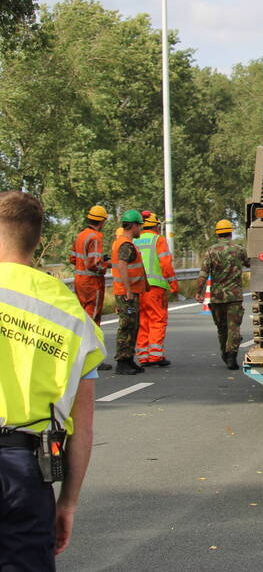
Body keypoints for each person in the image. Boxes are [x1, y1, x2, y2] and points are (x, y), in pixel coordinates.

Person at [0, 191, 105, 568]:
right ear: (37, 240)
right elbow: (84, 428)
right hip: (26, 472)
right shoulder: (72, 315)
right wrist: (68, 503)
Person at [196, 219, 249, 370]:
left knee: (222, 328)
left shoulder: (211, 251)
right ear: (231, 233)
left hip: (217, 297)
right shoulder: (239, 250)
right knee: (234, 328)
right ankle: (231, 355)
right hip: (234, 297)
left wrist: (199, 292)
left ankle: (224, 353)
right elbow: (250, 263)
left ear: (217, 234)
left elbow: (203, 274)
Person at [69, 205, 112, 371]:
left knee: (83, 318)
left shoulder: (81, 235)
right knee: (93, 321)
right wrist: (106, 265)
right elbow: (94, 264)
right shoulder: (95, 237)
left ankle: (81, 356)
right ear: (101, 222)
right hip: (92, 283)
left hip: (79, 281)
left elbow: (73, 257)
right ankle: (92, 359)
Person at [134, 211, 177, 367]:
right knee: (157, 320)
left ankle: (143, 356)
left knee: (142, 321)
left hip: (138, 288)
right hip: (155, 287)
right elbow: (165, 264)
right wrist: (173, 284)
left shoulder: (134, 239)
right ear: (157, 226)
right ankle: (156, 356)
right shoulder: (158, 240)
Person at [111, 210, 148, 375]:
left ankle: (129, 359)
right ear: (133, 225)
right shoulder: (125, 244)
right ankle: (122, 361)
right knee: (127, 326)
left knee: (132, 325)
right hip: (127, 293)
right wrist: (128, 290)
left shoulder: (125, 242)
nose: (141, 229)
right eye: (140, 226)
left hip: (130, 291)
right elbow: (123, 265)